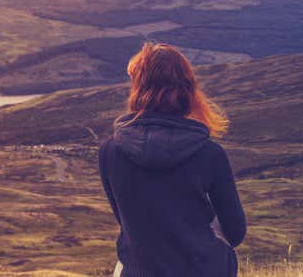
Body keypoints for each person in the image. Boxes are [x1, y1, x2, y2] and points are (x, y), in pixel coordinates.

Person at [98, 42, 247, 277]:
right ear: (187, 90)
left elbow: (128, 223)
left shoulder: (109, 152)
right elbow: (235, 232)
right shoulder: (210, 154)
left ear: (138, 88)